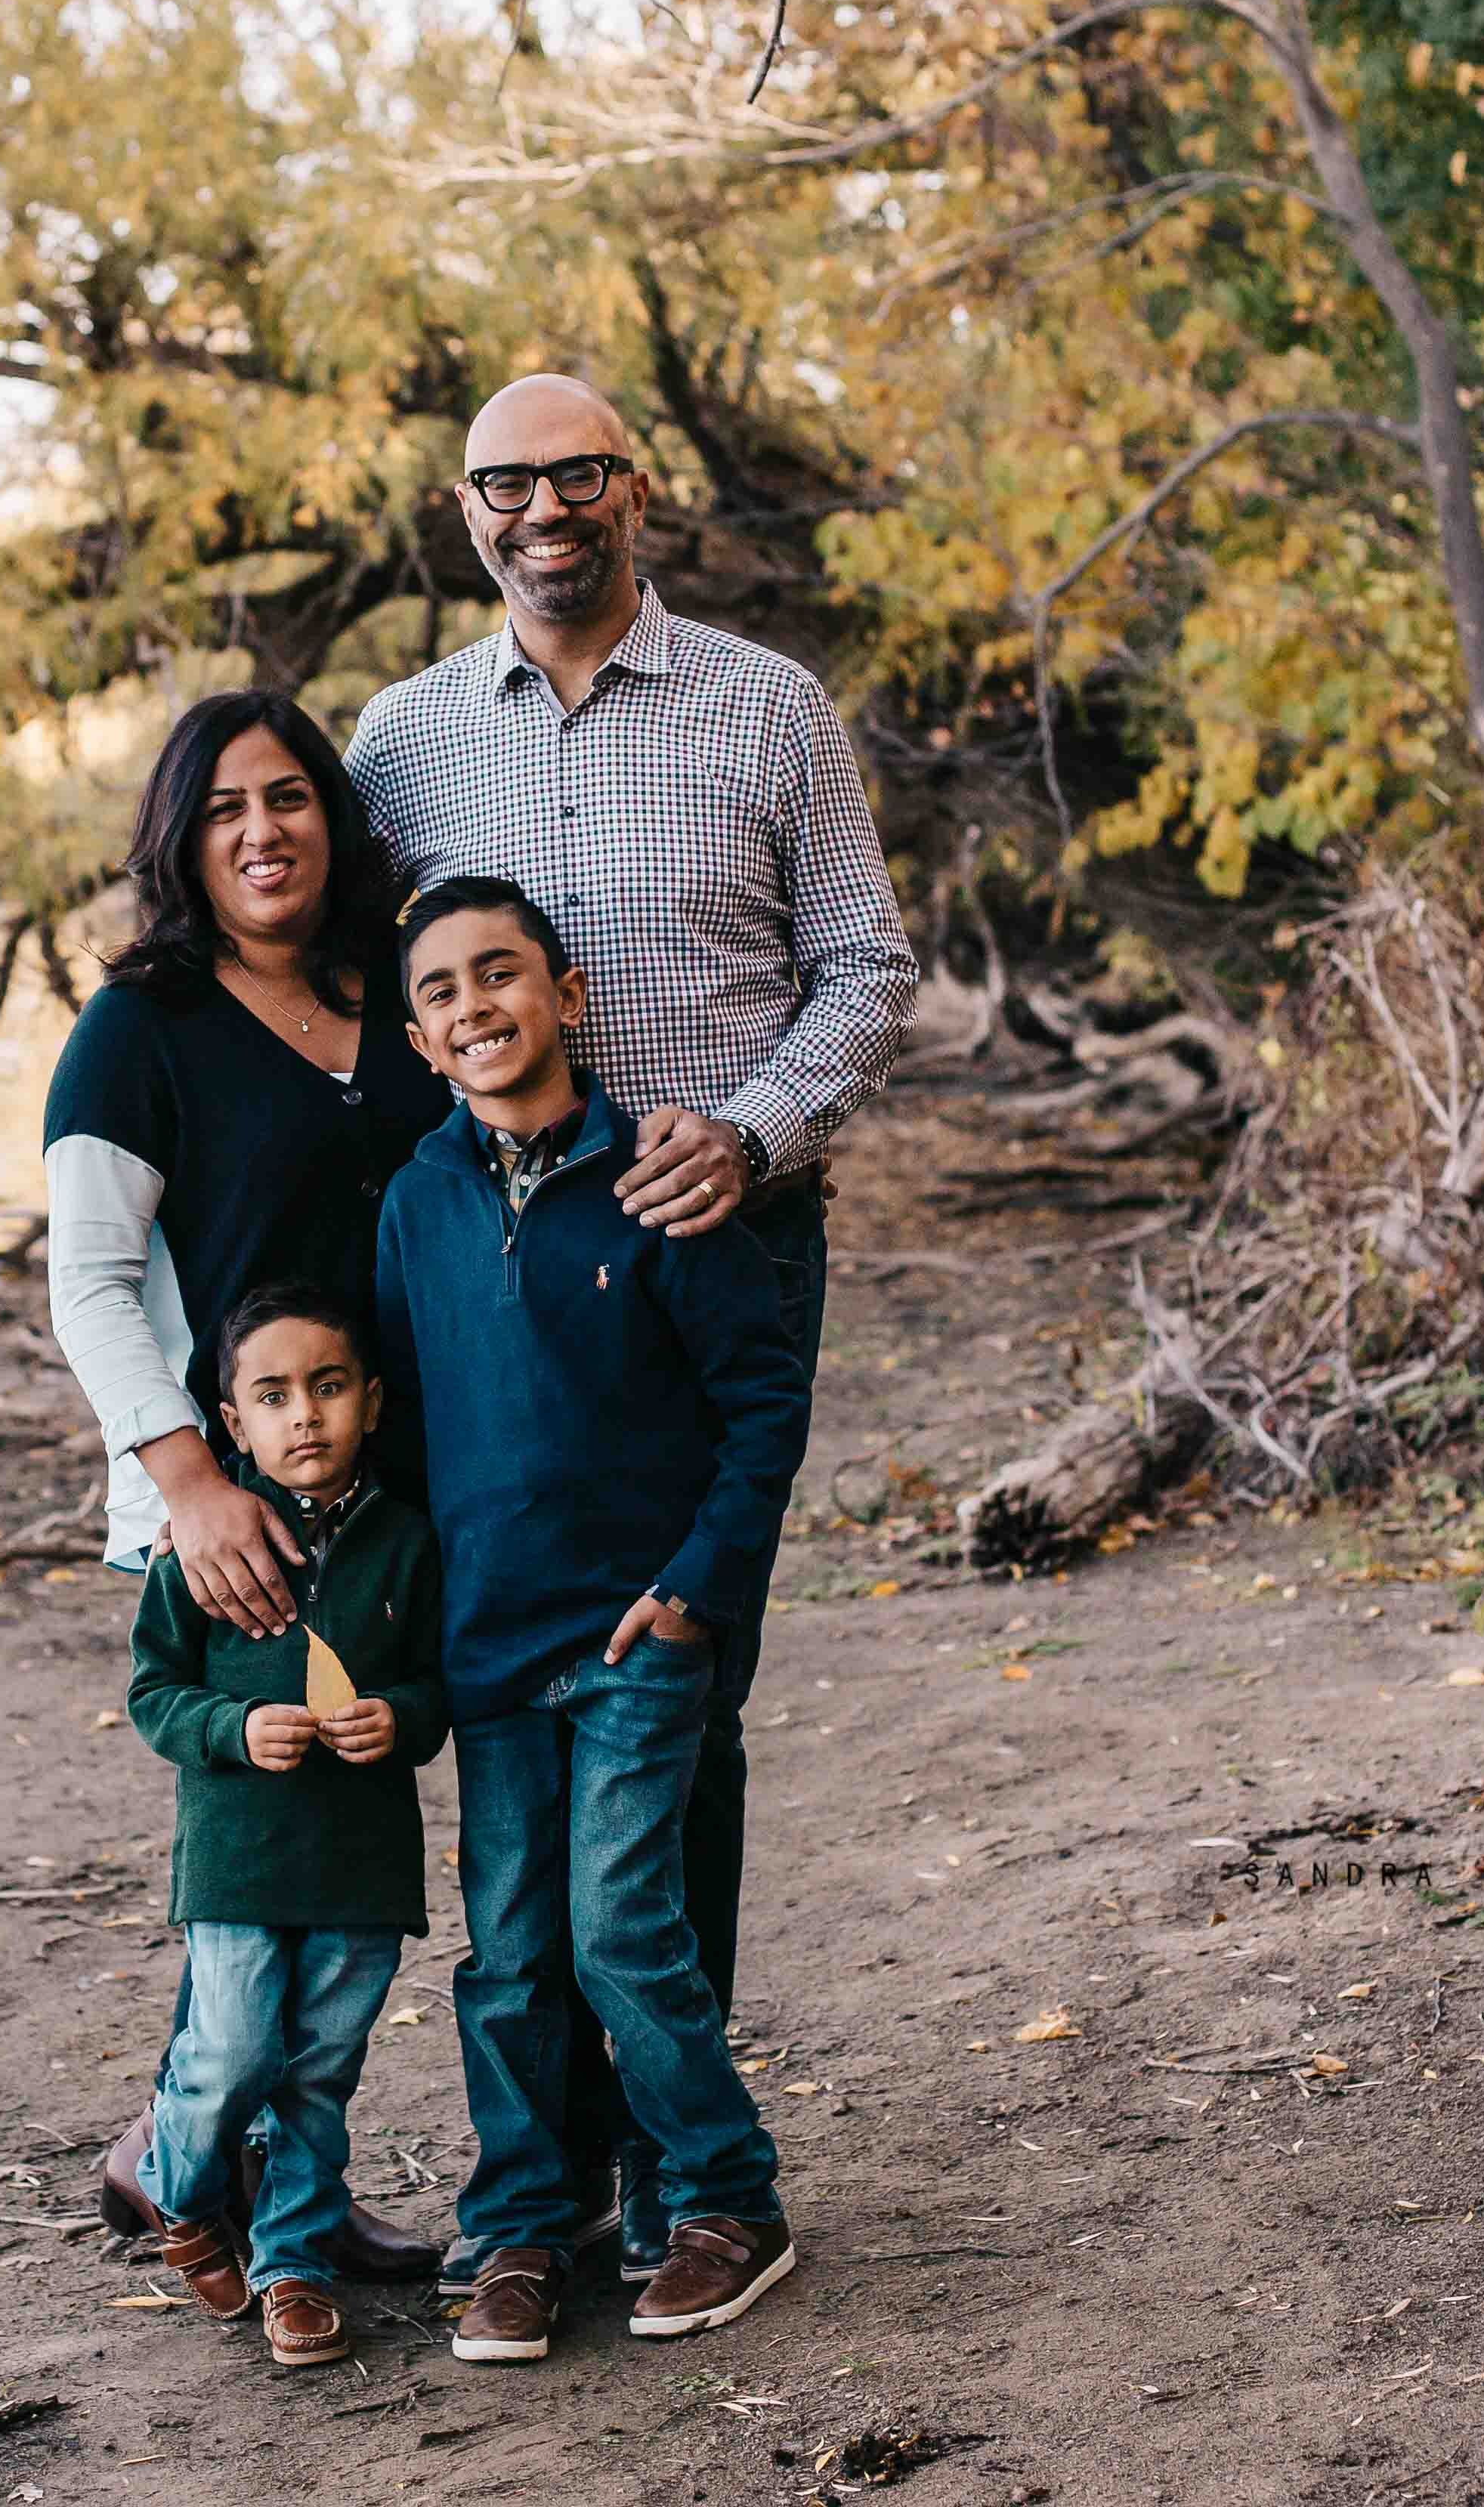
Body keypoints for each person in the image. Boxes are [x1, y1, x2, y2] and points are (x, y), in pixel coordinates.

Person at [345, 372, 916, 2278]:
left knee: (680, 1683)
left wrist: (751, 1135)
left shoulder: (764, 706)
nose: (544, 508)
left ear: (635, 489)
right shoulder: (404, 741)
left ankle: (689, 2181)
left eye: (577, 473)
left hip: (721, 1246)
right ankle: (553, 2187)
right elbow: (354, 997)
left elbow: (864, 962)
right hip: (509, 1263)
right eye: (507, 483)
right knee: (529, 1712)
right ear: (466, 509)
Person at [44, 688, 456, 2283]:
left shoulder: (393, 991)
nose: (263, 832)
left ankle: (278, 2191)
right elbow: (86, 1283)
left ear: (335, 822)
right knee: (264, 1857)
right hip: (233, 1518)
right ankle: (180, 2160)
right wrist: (189, 1483)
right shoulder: (141, 1026)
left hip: (394, 1501)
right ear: (182, 842)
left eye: (289, 798)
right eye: (223, 809)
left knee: (346, 1862)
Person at [375, 876, 812, 2360]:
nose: (473, 1005)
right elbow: (414, 1425)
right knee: (506, 1953)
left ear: (572, 997)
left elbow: (761, 1402)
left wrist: (700, 1590)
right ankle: (521, 2226)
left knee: (625, 1923)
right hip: (494, 1646)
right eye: (441, 991)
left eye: (501, 975)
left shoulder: (662, 1177)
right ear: (424, 1040)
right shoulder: (417, 1203)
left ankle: (721, 2199)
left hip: (638, 1636)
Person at [122, 1280, 451, 2369]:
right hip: (238, 1857)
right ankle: (176, 2187)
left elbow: (439, 1686)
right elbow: (155, 1695)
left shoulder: (409, 1542)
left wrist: (396, 1719)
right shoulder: (200, 1553)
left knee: (319, 2070)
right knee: (231, 2049)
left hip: (360, 1864)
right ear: (233, 1424)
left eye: (326, 1387)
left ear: (373, 1399)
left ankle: (295, 2265)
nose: (303, 1414)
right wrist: (235, 1726)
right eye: (272, 1396)